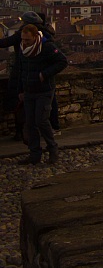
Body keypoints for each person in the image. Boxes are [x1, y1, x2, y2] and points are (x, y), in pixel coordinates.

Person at [17, 23, 68, 165]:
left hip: (44, 90)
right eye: (23, 39)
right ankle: (34, 154)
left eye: (27, 40)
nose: (25, 42)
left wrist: (44, 74)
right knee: (30, 122)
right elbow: (21, 70)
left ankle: (52, 148)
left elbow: (62, 61)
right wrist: (20, 90)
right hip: (29, 91)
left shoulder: (47, 47)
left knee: (41, 120)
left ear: (35, 36)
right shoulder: (23, 49)